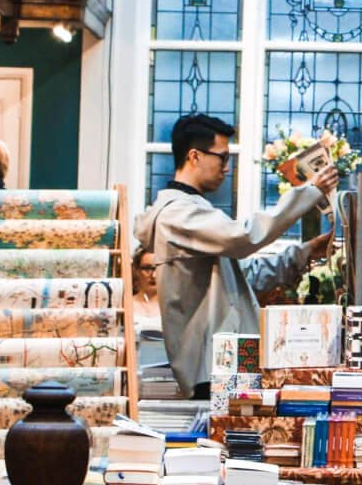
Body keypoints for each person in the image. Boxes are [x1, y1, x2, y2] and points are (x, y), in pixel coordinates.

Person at [134, 113, 339, 398]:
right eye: (223, 158)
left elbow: (244, 275)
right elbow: (244, 237)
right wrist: (309, 192)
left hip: (227, 359)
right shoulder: (177, 213)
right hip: (211, 364)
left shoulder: (194, 209)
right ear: (194, 156)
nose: (227, 169)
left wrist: (304, 253)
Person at [131, 244, 163, 334]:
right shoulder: (126, 305)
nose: (153, 275)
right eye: (148, 269)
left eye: (158, 268)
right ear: (136, 271)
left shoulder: (173, 307)